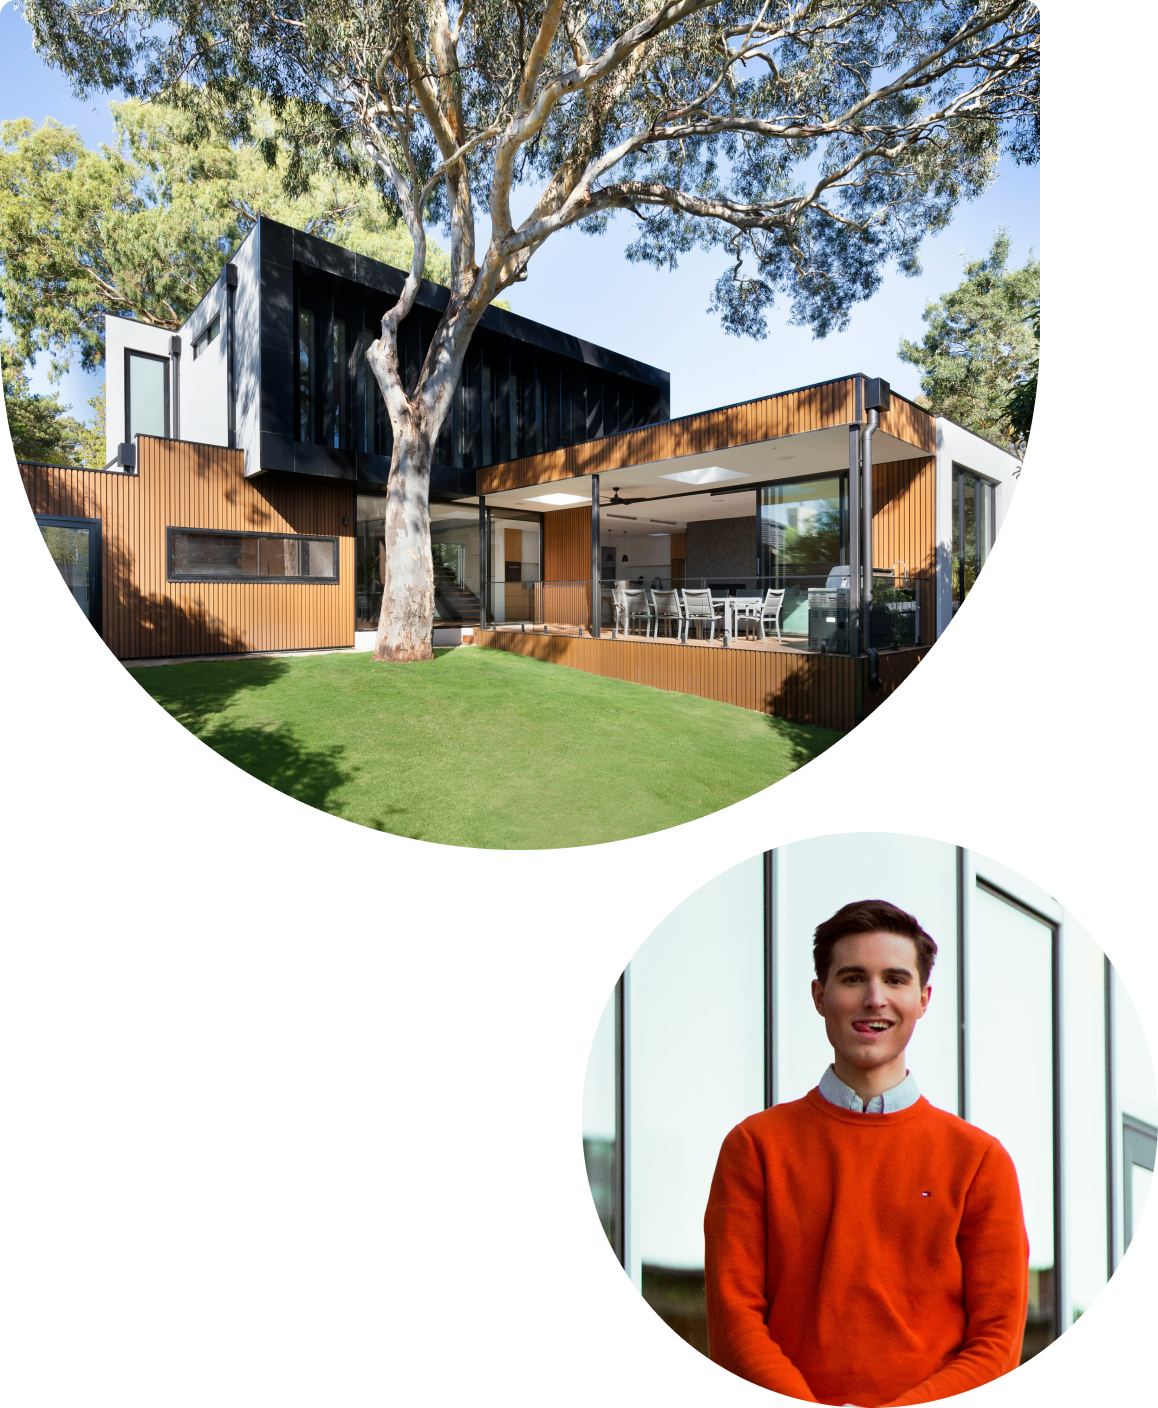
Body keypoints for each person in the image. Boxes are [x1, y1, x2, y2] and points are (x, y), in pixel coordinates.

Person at [704, 899, 1029, 1406]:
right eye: (853, 978)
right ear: (819, 995)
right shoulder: (755, 1147)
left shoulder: (979, 1161)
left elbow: (997, 1344)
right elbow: (733, 1320)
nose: (875, 998)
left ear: (923, 999)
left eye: (895, 980)